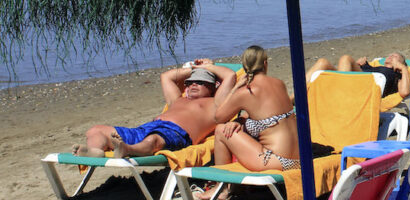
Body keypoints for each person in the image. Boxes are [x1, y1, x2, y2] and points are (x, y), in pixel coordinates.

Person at [74, 60, 237, 158]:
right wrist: (195, 69)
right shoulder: (177, 100)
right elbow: (166, 76)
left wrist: (208, 67)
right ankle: (95, 152)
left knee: (153, 141)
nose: (193, 84)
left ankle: (126, 149)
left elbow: (230, 76)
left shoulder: (216, 103)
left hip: (175, 134)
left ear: (214, 86)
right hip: (147, 128)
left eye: (200, 82)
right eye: (190, 82)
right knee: (96, 130)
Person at [207, 46, 299, 178]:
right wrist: (241, 120)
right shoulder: (280, 84)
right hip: (299, 159)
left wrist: (236, 88)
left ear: (245, 67)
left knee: (221, 130)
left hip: (275, 161)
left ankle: (222, 188)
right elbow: (266, 114)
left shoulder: (245, 92)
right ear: (265, 63)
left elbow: (218, 117)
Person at [305, 52, 410, 98]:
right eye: (390, 55)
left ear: (401, 63)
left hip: (366, 90)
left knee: (346, 58)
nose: (391, 56)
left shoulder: (397, 74)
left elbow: (405, 92)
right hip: (353, 82)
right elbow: (348, 70)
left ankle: (339, 94)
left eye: (395, 56)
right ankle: (296, 97)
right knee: (322, 62)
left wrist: (403, 68)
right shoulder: (375, 67)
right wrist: (360, 64)